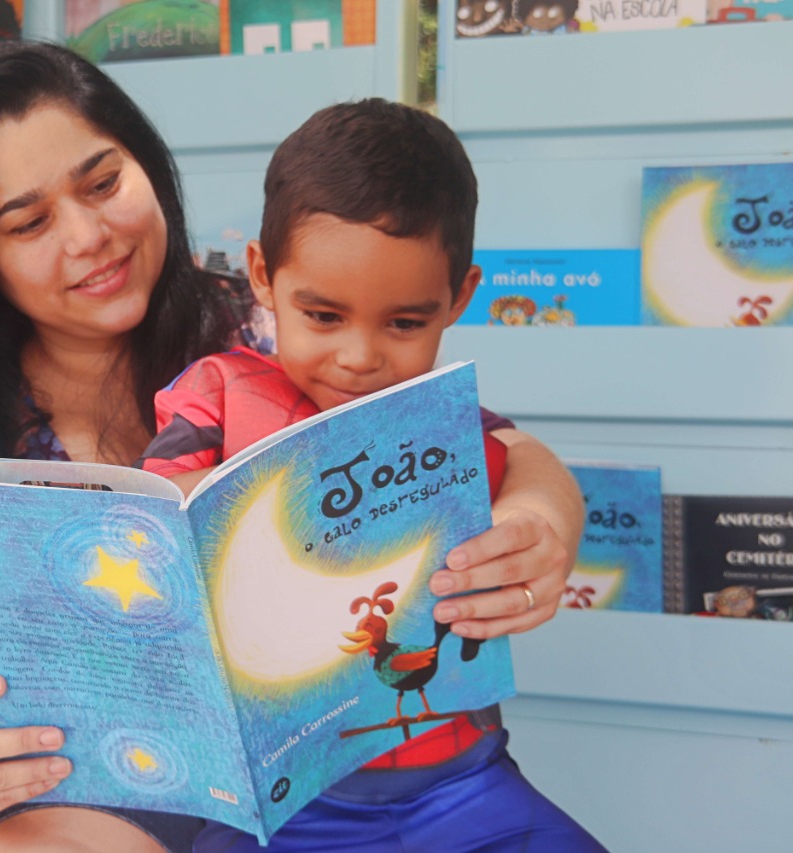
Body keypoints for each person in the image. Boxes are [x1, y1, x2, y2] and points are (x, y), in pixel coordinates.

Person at [0, 41, 584, 853]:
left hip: (346, 786)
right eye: (29, 222)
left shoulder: (275, 323)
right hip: (77, 801)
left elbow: (505, 448)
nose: (90, 235)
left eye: (104, 183)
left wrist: (542, 522)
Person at [139, 98, 603, 851]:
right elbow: (158, 508)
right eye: (322, 316)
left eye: (405, 323)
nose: (359, 357)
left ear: (459, 297)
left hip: (463, 780)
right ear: (261, 274)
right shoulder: (218, 392)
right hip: (277, 801)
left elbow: (527, 465)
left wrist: (540, 525)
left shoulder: (442, 419)